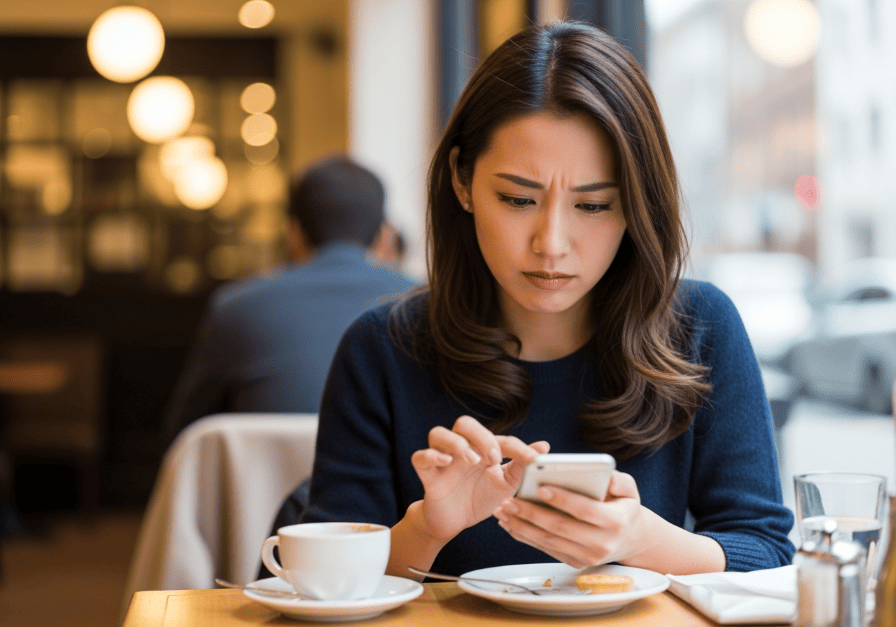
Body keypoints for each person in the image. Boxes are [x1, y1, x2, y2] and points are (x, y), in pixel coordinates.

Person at [287, 21, 795, 579]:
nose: (550, 244)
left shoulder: (701, 327)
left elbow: (764, 552)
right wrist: (428, 528)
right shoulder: (382, 347)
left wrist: (642, 537)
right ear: (462, 182)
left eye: (594, 206)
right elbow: (326, 581)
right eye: (517, 198)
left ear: (636, 203)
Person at [162, 155, 417, 445]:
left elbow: (183, 438)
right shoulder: (428, 306)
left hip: (264, 491)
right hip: (388, 490)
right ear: (385, 238)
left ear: (293, 233)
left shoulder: (236, 307)